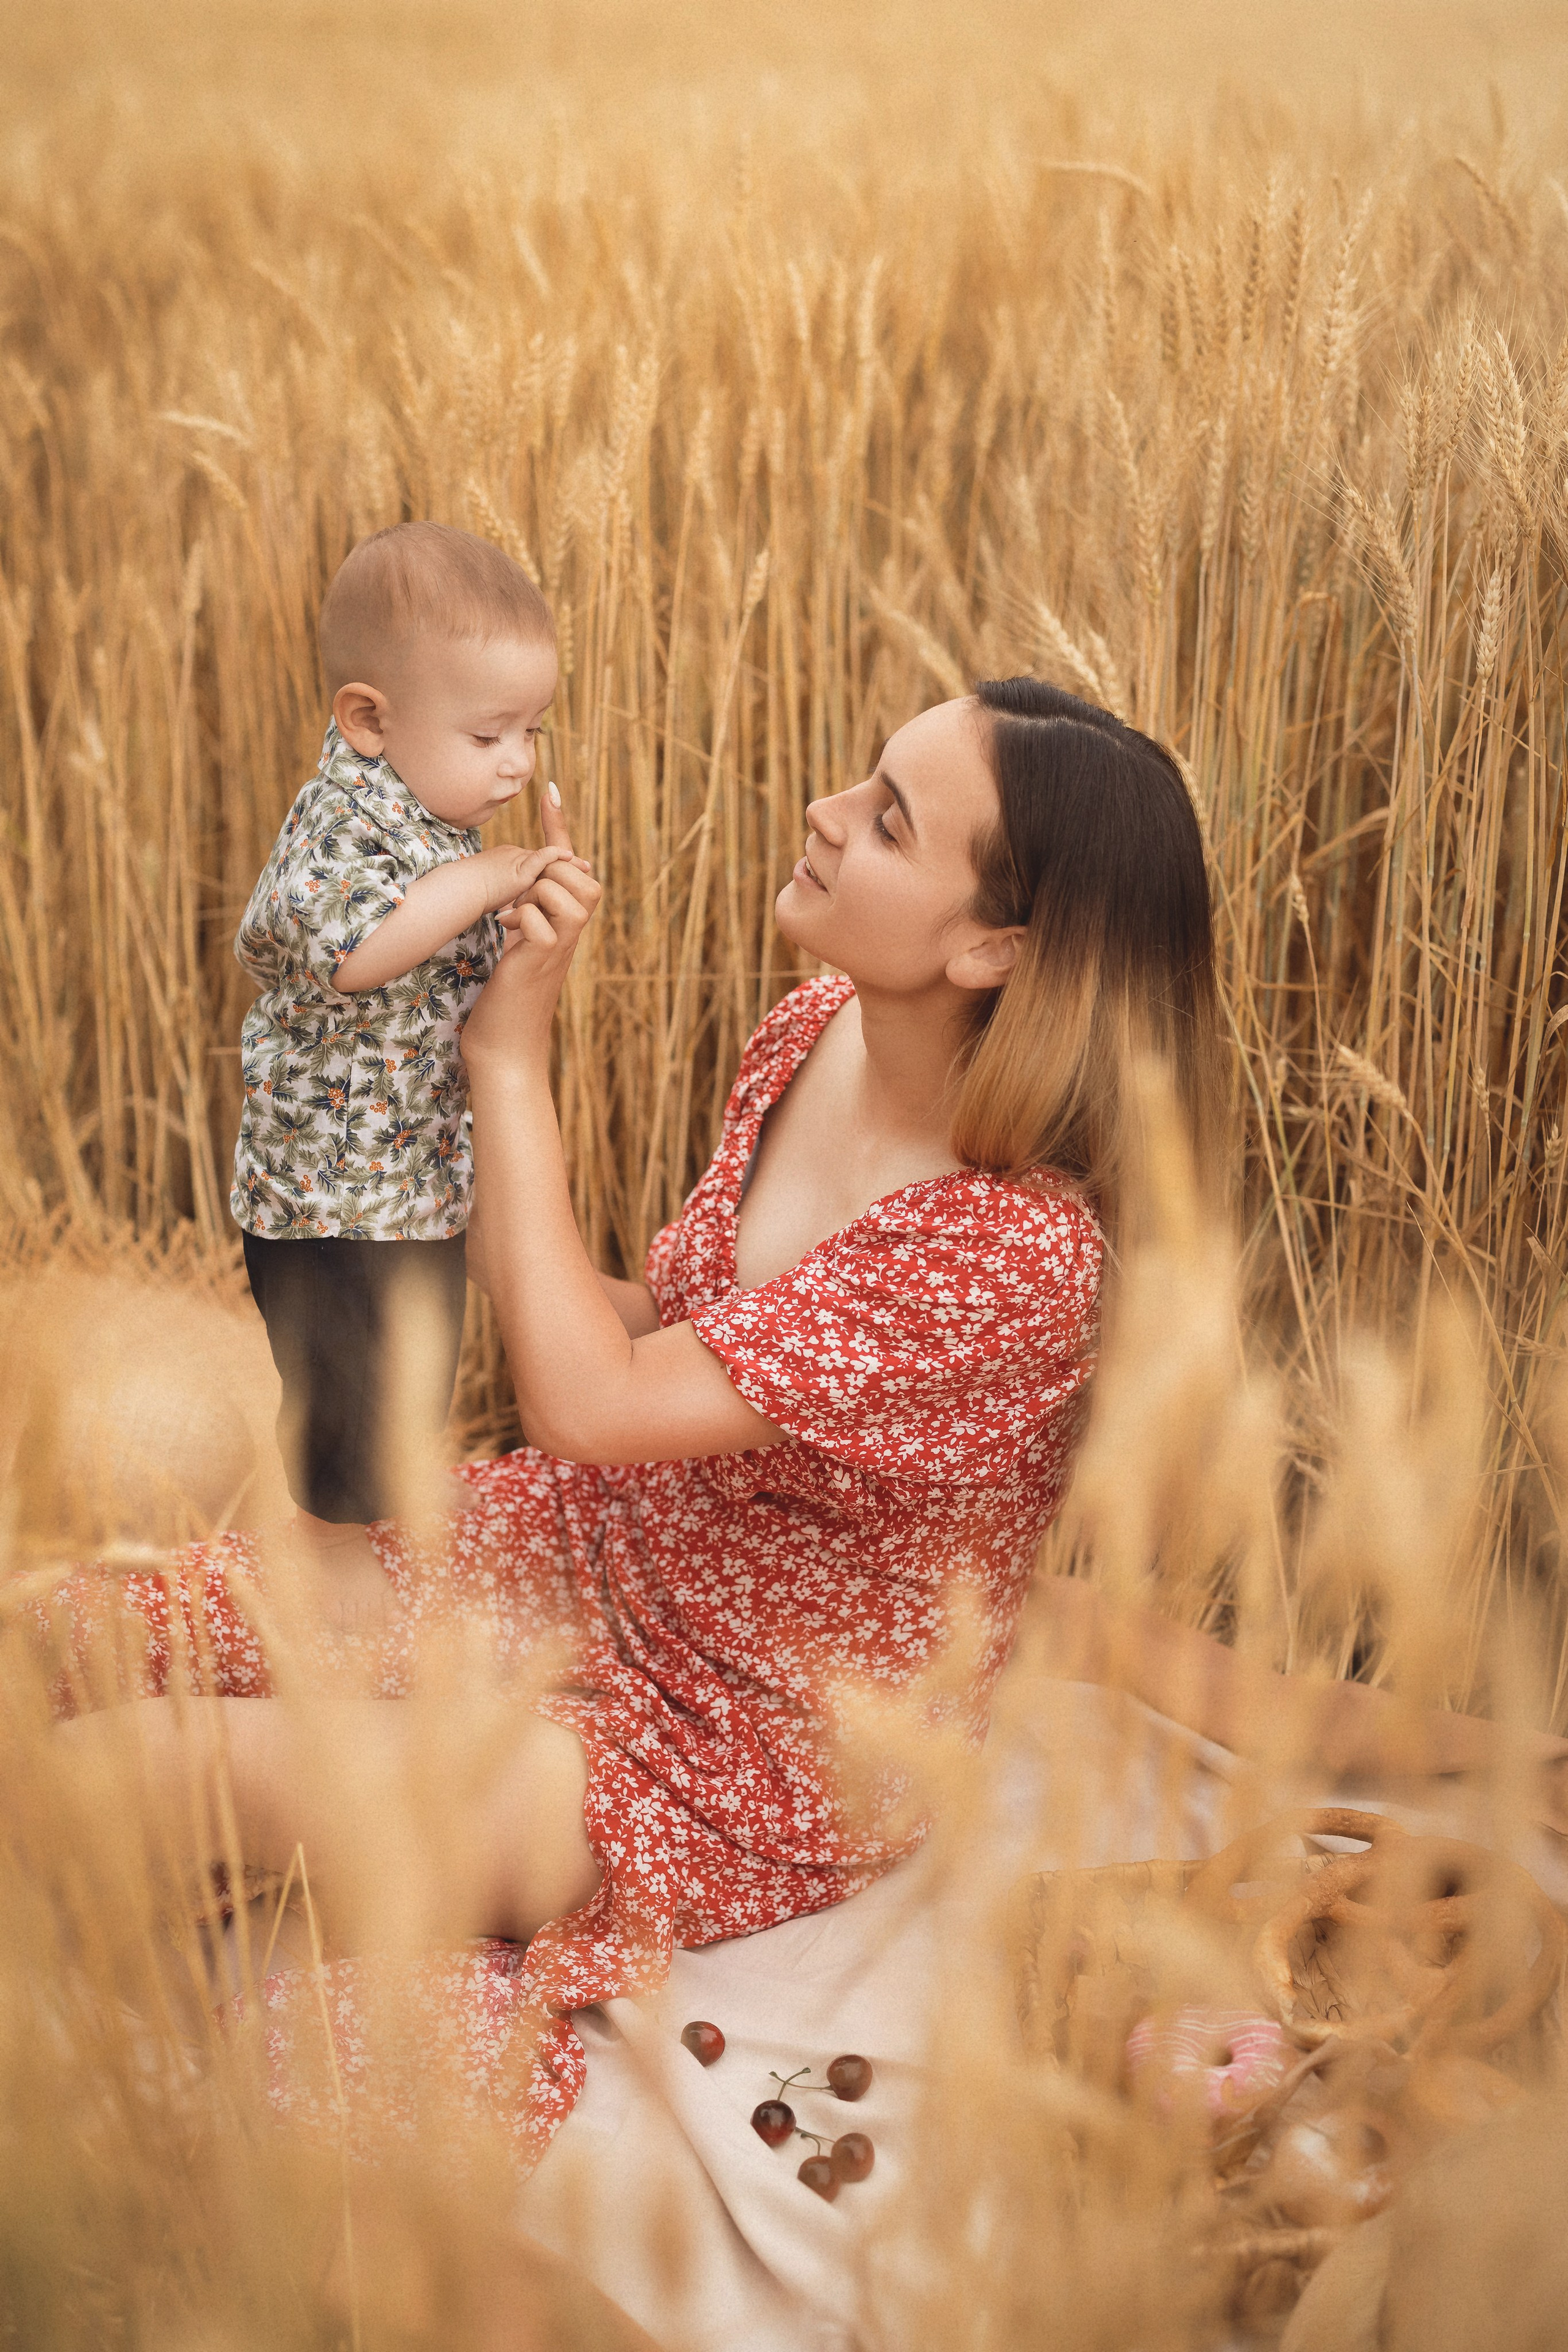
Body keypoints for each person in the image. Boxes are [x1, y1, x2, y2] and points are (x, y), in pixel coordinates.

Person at [52, 679, 1225, 2162]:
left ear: (992, 944)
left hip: (734, 1746)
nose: (826, 812)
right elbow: (662, 1351)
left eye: (887, 821)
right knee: (97, 1635)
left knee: (143, 1779)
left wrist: (506, 1061)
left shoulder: (1013, 1255)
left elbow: (588, 1404)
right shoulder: (815, 1034)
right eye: (864, 782)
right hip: (603, 1547)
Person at [230, 521, 576, 1624]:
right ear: (368, 719)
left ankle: (360, 1567)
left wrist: (522, 930)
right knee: (347, 1412)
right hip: (331, 1204)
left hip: (405, 1186)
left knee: (401, 1400)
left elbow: (449, 981)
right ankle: (331, 1589)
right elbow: (353, 954)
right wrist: (494, 883)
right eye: (489, 734)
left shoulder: (433, 817)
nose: (519, 762)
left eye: (532, 730)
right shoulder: (344, 823)